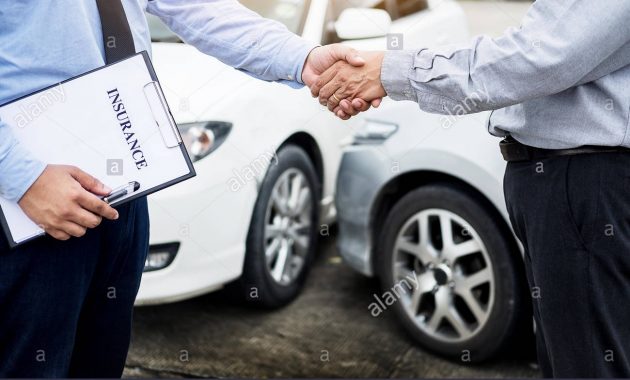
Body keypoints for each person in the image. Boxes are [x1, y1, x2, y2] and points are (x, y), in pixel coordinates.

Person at [0, 1, 375, 377]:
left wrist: (303, 59)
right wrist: (22, 175)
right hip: (30, 204)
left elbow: (198, 8)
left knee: (99, 364)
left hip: (125, 194)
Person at [311, 0, 630, 377]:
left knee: (586, 365)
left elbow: (542, 54)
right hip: (576, 178)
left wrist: (389, 70)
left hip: (583, 180)